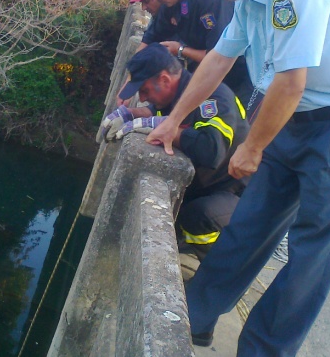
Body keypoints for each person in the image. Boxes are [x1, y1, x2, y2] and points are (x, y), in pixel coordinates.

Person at [145, 0, 330, 354]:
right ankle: (196, 317)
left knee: (311, 253)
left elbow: (291, 80)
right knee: (252, 221)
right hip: (291, 117)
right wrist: (172, 120)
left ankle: (262, 350)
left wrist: (252, 146)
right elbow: (218, 59)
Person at [99, 43, 250, 259]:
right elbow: (156, 110)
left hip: (233, 191)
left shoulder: (214, 98)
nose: (142, 97)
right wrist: (130, 114)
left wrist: (167, 129)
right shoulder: (180, 91)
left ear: (164, 80)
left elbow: (212, 151)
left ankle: (217, 265)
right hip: (202, 184)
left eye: (144, 90)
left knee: (196, 217)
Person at [122, 0, 254, 113]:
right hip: (203, 75)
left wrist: (182, 50)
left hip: (238, 78)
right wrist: (130, 81)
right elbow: (149, 39)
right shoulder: (170, 3)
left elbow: (219, 57)